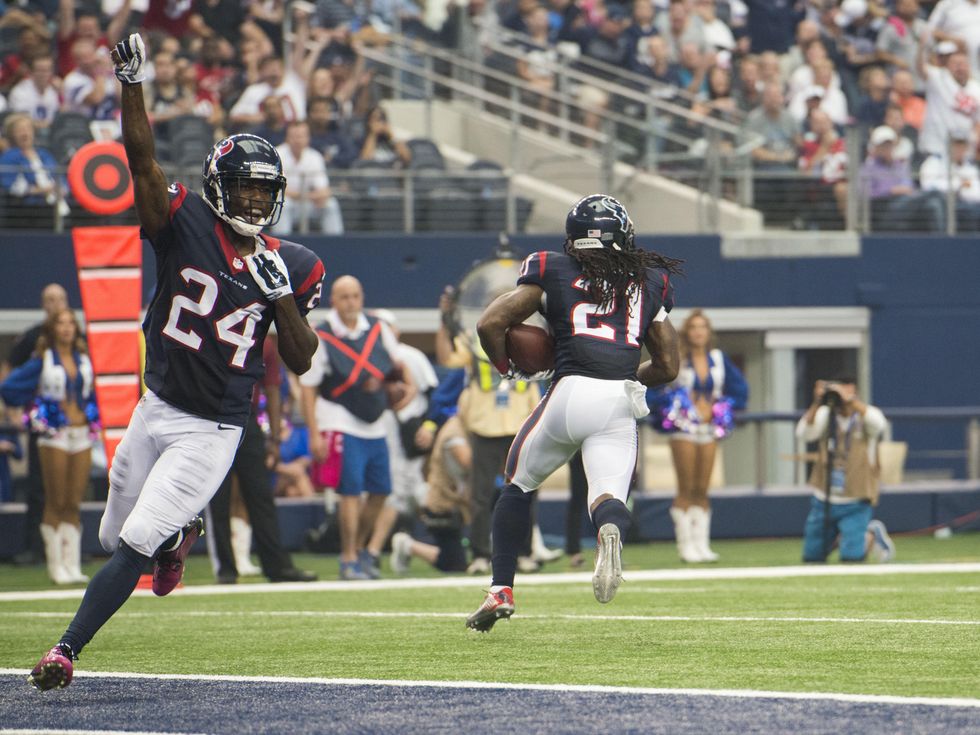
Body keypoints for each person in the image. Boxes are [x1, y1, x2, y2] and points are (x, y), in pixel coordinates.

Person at [27, 33, 325, 691]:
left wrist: (282, 300)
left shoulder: (295, 264)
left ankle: (65, 649)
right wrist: (133, 83)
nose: (253, 202)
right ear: (220, 188)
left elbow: (302, 361)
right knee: (112, 535)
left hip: (212, 428)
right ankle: (176, 537)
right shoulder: (184, 220)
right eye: (243, 190)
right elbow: (141, 162)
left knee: (130, 541)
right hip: (155, 404)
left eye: (262, 192)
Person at [466, 194, 682, 632]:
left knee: (518, 484)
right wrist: (629, 377)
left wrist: (508, 368)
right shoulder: (651, 280)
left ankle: (501, 589)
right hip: (617, 401)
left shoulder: (551, 267)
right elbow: (668, 366)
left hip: (568, 392)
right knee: (607, 497)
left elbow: (490, 322)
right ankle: (608, 530)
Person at [299, 275, 412, 580]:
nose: (350, 303)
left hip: (374, 420)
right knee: (349, 492)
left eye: (355, 296)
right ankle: (348, 558)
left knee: (380, 490)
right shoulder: (321, 335)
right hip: (338, 418)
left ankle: (360, 549)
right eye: (344, 297)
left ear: (362, 298)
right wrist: (313, 432)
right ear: (333, 301)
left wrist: (404, 390)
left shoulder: (378, 328)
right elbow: (308, 386)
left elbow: (399, 367)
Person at [206, 335, 318, 584]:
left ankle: (277, 566)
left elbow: (272, 387)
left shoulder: (263, 341)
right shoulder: (212, 333)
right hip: (212, 418)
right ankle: (226, 568)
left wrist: (276, 437)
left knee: (260, 496)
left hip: (247, 417)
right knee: (217, 497)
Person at [1, 307, 99, 585]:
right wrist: (32, 410)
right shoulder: (42, 360)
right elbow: (9, 387)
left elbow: (93, 393)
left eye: (71, 323)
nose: (67, 328)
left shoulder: (83, 359)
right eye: (61, 323)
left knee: (73, 500)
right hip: (53, 434)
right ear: (52, 329)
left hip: (82, 433)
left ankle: (72, 563)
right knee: (55, 500)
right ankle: (55, 564)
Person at [647, 310, 748, 563]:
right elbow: (653, 389)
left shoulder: (718, 358)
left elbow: (739, 389)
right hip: (684, 429)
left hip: (709, 428)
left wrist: (719, 406)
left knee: (703, 489)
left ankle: (702, 544)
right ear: (686, 332)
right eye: (693, 327)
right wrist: (675, 402)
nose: (698, 331)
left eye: (703, 327)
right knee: (686, 487)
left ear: (709, 332)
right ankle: (685, 545)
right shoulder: (676, 358)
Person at [1, 283, 69, 566]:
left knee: (69, 487)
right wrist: (14, 412)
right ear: (43, 304)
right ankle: (35, 546)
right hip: (42, 421)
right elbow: (10, 371)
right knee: (39, 485)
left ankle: (68, 549)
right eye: (49, 300)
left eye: (59, 300)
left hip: (73, 424)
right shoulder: (35, 338)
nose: (54, 305)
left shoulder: (76, 342)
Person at [796, 378, 895, 564]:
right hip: (824, 498)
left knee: (851, 558)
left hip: (855, 500)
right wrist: (817, 402)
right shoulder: (826, 414)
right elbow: (803, 434)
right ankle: (840, 538)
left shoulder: (865, 414)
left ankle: (870, 535)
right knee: (812, 558)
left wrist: (851, 401)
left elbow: (879, 424)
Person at [389, 414, 471, 575]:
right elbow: (468, 463)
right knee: (454, 565)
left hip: (459, 503)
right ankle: (407, 545)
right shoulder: (454, 430)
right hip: (445, 505)